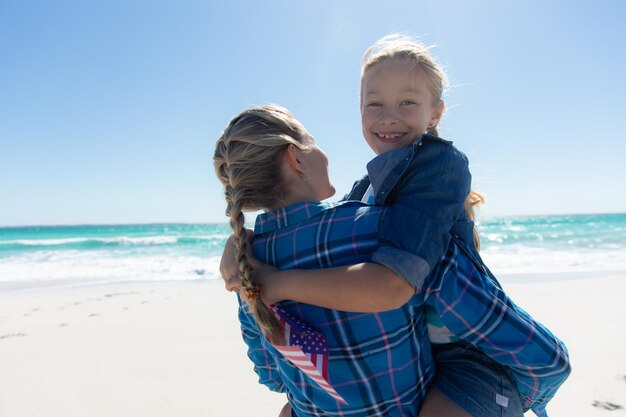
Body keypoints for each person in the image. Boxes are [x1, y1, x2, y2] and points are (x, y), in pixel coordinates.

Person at [219, 34, 570, 417]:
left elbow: (391, 283)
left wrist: (269, 274)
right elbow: (326, 231)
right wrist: (243, 244)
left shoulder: (440, 164)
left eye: (407, 101)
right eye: (374, 103)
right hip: (425, 345)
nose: (388, 115)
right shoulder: (361, 197)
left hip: (463, 347)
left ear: (434, 113)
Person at [214, 104, 436, 416]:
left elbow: (272, 377)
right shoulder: (377, 226)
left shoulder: (245, 266)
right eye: (312, 140)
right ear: (296, 158)